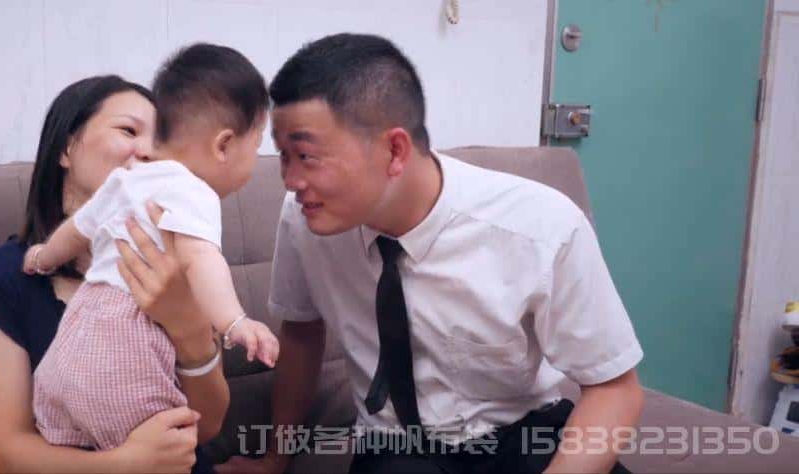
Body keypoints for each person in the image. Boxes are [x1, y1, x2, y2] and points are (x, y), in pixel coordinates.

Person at [219, 33, 644, 474]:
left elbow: (614, 388)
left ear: (394, 150)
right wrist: (275, 458)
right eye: (284, 156)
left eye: (307, 156)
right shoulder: (303, 219)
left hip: (522, 433)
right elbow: (303, 333)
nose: (290, 180)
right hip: (399, 446)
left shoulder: (539, 227)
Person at [0, 75, 228, 473]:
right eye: (129, 130)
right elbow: (9, 454)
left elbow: (210, 425)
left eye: (160, 140)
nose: (148, 150)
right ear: (66, 148)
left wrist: (187, 326)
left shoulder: (180, 259)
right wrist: (126, 464)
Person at [21, 43, 278, 451]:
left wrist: (42, 256)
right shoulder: (194, 193)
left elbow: (78, 230)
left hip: (75, 335)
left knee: (68, 427)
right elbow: (202, 259)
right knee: (164, 438)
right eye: (258, 143)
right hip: (128, 343)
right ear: (224, 145)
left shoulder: (125, 181)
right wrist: (235, 322)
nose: (141, 148)